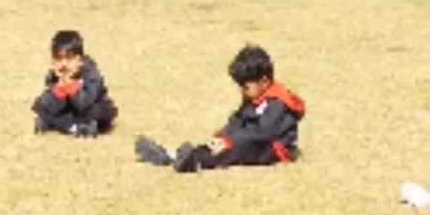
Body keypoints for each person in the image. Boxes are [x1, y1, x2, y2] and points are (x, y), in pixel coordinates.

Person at [134, 45, 303, 171]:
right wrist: (222, 136)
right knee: (223, 146)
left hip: (273, 148)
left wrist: (231, 141)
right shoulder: (255, 96)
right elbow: (238, 120)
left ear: (264, 82)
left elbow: (263, 133)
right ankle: (172, 155)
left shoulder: (277, 102)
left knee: (234, 151)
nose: (242, 91)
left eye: (245, 86)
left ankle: (196, 161)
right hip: (252, 140)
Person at [33, 29, 119, 136]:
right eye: (58, 59)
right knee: (40, 105)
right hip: (68, 112)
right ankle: (72, 127)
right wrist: (58, 92)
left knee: (104, 110)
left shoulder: (91, 75)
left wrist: (71, 88)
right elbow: (49, 103)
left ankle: (81, 126)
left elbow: (87, 102)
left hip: (88, 109)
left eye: (69, 59)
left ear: (80, 60)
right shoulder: (53, 77)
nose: (63, 64)